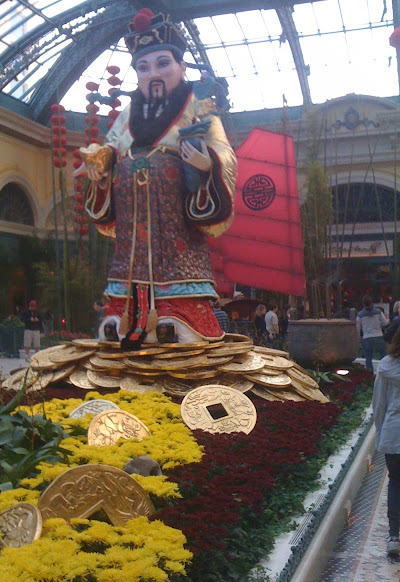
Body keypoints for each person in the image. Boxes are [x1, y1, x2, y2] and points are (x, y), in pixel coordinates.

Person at [77, 9, 237, 348]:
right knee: (127, 276)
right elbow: (112, 146)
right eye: (143, 68)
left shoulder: (198, 104)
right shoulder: (129, 111)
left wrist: (207, 164)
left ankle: (178, 313)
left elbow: (222, 150)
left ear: (182, 66)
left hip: (174, 228)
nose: (153, 74)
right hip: (133, 225)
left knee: (177, 304)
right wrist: (101, 162)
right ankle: (124, 314)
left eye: (163, 64)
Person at [372, 327, 400, 556]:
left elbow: (379, 403)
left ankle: (394, 536)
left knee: (396, 483)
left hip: (394, 432)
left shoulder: (386, 367)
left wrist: (380, 434)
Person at [356, 294, 388, 371]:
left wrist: (358, 339)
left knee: (368, 357)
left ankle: (370, 374)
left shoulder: (360, 315)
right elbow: (384, 323)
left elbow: (357, 328)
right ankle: (384, 371)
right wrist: (378, 325)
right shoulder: (378, 312)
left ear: (363, 304)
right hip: (378, 336)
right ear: (371, 302)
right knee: (383, 356)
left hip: (367, 337)